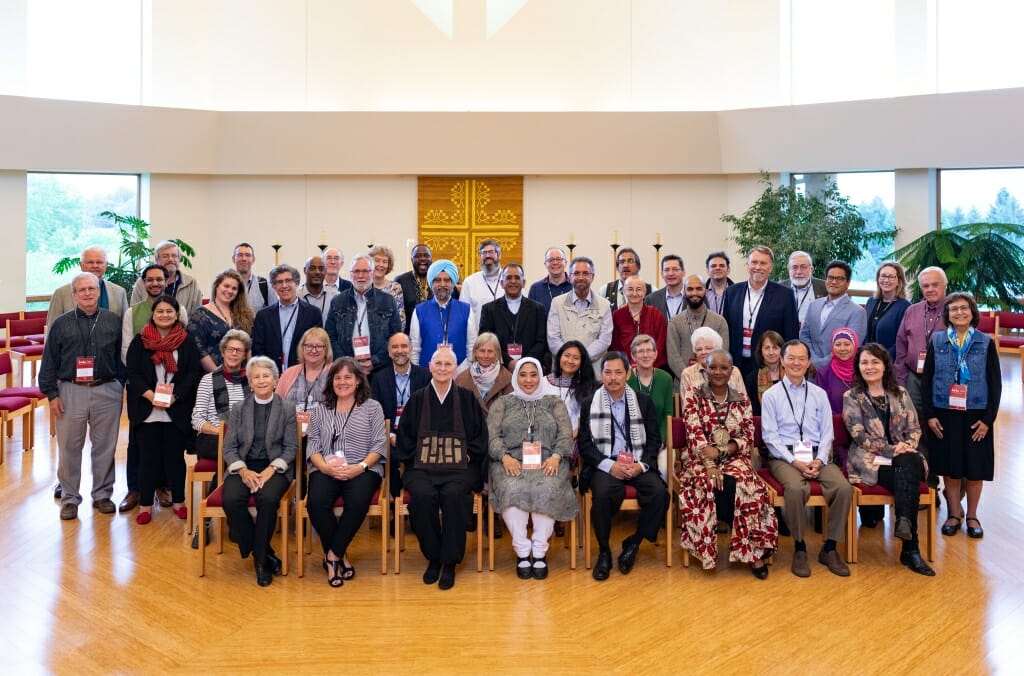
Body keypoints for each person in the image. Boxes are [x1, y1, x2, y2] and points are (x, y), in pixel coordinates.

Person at [394, 348, 488, 591]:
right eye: (439, 364)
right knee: (422, 497)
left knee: (454, 495)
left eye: (448, 364)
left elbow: (480, 435)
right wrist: (419, 456)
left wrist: (466, 455)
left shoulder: (467, 398)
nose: (443, 368)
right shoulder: (417, 398)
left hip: (459, 467)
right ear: (430, 366)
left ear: (455, 368)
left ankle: (449, 562)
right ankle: (434, 556)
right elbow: (405, 437)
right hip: (423, 467)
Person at [679, 349, 777, 576]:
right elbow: (693, 431)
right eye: (713, 367)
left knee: (749, 487)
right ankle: (707, 551)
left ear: (732, 370)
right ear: (706, 370)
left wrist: (723, 450)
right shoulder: (694, 394)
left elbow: (747, 435)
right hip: (699, 459)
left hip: (734, 457)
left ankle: (753, 553)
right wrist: (710, 463)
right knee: (706, 484)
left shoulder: (741, 399)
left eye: (724, 368)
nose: (718, 372)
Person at [761, 339, 853, 578]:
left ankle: (830, 547)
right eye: (791, 358)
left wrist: (820, 460)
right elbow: (770, 437)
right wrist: (795, 461)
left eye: (802, 358)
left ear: (809, 362)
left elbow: (827, 433)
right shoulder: (771, 395)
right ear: (782, 360)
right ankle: (800, 546)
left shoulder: (819, 394)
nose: (796, 363)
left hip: (816, 455)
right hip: (784, 456)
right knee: (794, 489)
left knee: (843, 488)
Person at [39, 272, 126, 521]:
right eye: (81, 290)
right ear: (74, 294)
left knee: (105, 446)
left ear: (99, 291)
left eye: (91, 288)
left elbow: (122, 358)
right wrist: (52, 394)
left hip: (107, 389)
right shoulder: (61, 323)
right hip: (70, 390)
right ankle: (69, 497)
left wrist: (119, 385)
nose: (87, 293)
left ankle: (102, 494)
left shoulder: (113, 321)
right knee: (69, 446)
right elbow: (49, 362)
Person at [842, 343, 935, 576]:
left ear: (885, 365)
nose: (870, 367)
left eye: (875, 361)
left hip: (904, 457)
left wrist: (907, 446)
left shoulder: (901, 393)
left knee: (909, 465)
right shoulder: (852, 396)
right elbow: (858, 434)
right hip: (870, 461)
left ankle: (905, 525)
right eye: (864, 362)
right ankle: (910, 549)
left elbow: (915, 428)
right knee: (910, 473)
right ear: (858, 367)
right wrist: (893, 450)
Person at [578, 352, 667, 581]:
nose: (613, 378)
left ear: (628, 374)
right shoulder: (590, 403)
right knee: (604, 495)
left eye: (619, 372)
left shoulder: (643, 402)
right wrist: (609, 465)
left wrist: (642, 465)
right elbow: (585, 444)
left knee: (660, 494)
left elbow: (654, 441)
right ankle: (604, 551)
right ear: (601, 374)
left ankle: (634, 542)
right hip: (606, 464)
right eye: (608, 372)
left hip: (636, 462)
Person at [487, 358, 577, 579]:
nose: (528, 380)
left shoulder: (554, 402)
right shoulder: (503, 403)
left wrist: (556, 457)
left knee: (546, 488)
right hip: (510, 462)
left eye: (533, 374)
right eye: (523, 375)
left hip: (548, 461)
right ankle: (522, 549)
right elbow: (491, 436)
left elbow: (566, 435)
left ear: (540, 376)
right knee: (512, 488)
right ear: (516, 377)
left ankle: (538, 550)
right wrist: (505, 457)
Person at [922, 292, 1001, 540]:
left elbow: (995, 383)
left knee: (976, 468)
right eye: (954, 309)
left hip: (976, 413)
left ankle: (973, 515)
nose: (959, 313)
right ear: (947, 314)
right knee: (951, 466)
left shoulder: (985, 342)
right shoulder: (937, 341)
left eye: (964, 308)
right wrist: (930, 415)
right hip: (945, 412)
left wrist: (988, 420)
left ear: (972, 312)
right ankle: (954, 513)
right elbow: (927, 380)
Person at [306, 357, 387, 587]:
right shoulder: (320, 409)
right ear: (331, 382)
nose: (342, 382)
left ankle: (331, 557)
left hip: (363, 468)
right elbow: (312, 445)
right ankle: (340, 554)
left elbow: (379, 445)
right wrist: (324, 467)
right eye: (337, 378)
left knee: (357, 500)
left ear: (359, 381)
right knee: (316, 502)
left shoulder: (373, 407)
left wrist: (359, 467)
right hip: (326, 467)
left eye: (348, 377)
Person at [221, 356, 297, 587]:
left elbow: (291, 447)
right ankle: (262, 552)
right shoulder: (239, 408)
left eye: (266, 376)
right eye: (256, 377)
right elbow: (230, 447)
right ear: (250, 383)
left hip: (275, 467)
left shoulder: (287, 408)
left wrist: (271, 470)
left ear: (275, 380)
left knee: (267, 498)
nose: (261, 381)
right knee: (231, 500)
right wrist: (243, 471)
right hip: (244, 465)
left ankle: (261, 563)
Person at [118, 262, 188, 513]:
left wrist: (174, 395)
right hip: (144, 399)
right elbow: (129, 359)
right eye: (150, 279)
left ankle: (170, 492)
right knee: (141, 451)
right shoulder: (135, 321)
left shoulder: (183, 332)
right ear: (143, 282)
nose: (155, 283)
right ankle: (139, 495)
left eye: (160, 279)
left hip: (174, 403)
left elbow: (189, 368)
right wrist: (149, 392)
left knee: (172, 452)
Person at [125, 295, 201, 525]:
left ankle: (179, 501)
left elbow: (192, 374)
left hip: (176, 410)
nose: (165, 315)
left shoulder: (186, 341)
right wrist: (151, 396)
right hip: (147, 409)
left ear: (177, 315)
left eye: (170, 311)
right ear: (153, 314)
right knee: (147, 459)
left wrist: (174, 397)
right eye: (160, 312)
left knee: (175, 459)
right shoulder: (140, 341)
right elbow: (133, 373)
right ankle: (146, 505)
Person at [371, 332, 432, 496]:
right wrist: (389, 435)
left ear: (411, 349)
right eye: (395, 347)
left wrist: (415, 435)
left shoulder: (425, 376)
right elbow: (374, 414)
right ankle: (393, 509)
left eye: (404, 346)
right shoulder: (378, 379)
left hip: (417, 435)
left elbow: (430, 411)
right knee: (387, 459)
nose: (400, 351)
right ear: (389, 351)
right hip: (388, 435)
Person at [722, 246, 798, 374]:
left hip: (768, 366)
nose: (758, 267)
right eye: (754, 262)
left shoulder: (785, 295)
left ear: (771, 267)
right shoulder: (732, 291)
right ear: (748, 265)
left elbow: (791, 334)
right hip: (736, 365)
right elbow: (726, 328)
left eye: (763, 263)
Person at [326, 253, 402, 376]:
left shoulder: (387, 300)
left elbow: (395, 336)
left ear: (372, 273)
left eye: (365, 271)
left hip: (380, 370)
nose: (360, 276)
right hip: (346, 371)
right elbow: (330, 337)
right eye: (356, 271)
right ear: (350, 274)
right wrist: (348, 362)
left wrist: (375, 361)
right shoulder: (338, 301)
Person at [191, 330, 252, 462]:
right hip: (214, 437)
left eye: (239, 350)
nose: (234, 353)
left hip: (244, 437)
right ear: (223, 352)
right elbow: (197, 420)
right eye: (230, 349)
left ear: (245, 356)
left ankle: (219, 482)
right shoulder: (207, 380)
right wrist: (222, 432)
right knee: (235, 447)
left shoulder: (252, 381)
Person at [251, 264, 323, 373]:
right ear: (274, 286)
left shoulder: (313, 314)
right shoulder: (263, 316)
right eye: (279, 282)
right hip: (272, 376)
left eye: (288, 280)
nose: (284, 285)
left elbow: (316, 347)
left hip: (302, 375)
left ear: (297, 283)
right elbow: (258, 350)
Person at [547, 257, 612, 373]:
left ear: (592, 277)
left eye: (585, 273)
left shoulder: (604, 305)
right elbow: (553, 338)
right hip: (562, 372)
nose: (581, 277)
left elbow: (604, 340)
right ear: (570, 277)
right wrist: (569, 360)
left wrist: (580, 358)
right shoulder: (557, 303)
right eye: (576, 273)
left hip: (592, 373)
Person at [479, 263, 548, 370]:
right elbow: (486, 342)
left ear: (524, 282)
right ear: (502, 283)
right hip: (498, 368)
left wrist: (525, 362)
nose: (513, 281)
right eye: (508, 278)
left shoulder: (538, 309)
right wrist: (508, 361)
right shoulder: (489, 310)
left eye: (517, 277)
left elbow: (541, 342)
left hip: (530, 368)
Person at [799, 260, 866, 369]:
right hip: (810, 370)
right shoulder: (814, 305)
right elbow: (804, 335)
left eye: (839, 279)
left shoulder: (857, 312)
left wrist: (820, 365)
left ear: (848, 283)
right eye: (830, 278)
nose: (833, 282)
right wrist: (812, 359)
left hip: (838, 372)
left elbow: (851, 347)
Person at [410, 259, 477, 368]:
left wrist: (466, 373)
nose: (442, 284)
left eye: (446, 280)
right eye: (438, 280)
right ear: (432, 283)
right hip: (427, 372)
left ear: (453, 283)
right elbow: (415, 349)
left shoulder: (466, 310)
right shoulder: (419, 311)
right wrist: (417, 374)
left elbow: (471, 347)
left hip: (459, 372)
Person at [188, 269, 255, 372]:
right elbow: (199, 349)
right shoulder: (200, 314)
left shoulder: (246, 314)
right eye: (226, 286)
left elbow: (249, 346)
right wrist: (217, 375)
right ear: (217, 286)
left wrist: (250, 373)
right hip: (212, 376)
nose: (229, 291)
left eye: (234, 288)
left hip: (242, 375)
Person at [47, 245, 128, 328]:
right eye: (90, 262)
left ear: (106, 265)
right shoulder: (61, 293)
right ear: (81, 265)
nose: (95, 266)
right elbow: (52, 329)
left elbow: (125, 327)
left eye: (99, 262)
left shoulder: (119, 292)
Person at [666, 273, 729, 379]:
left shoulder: (719, 322)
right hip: (683, 383)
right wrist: (690, 378)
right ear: (684, 292)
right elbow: (673, 357)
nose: (694, 293)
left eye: (699, 289)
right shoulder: (674, 323)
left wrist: (708, 378)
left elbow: (723, 353)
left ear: (705, 291)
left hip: (713, 382)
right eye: (690, 289)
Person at [626, 334, 673, 471]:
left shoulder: (666, 378)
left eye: (649, 350)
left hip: (659, 442)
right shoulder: (626, 378)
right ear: (633, 356)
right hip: (632, 441)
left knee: (664, 469)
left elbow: (668, 414)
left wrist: (662, 440)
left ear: (655, 354)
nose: (645, 355)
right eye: (640, 351)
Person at [130, 240, 203, 314]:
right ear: (157, 260)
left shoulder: (191, 283)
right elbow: (135, 312)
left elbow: (197, 314)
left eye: (174, 256)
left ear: (179, 259)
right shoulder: (142, 282)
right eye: (165, 256)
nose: (170, 259)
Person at [611, 276, 667, 369]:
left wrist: (649, 364)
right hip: (626, 369)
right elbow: (615, 345)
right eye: (630, 289)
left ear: (645, 292)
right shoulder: (617, 316)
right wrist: (625, 365)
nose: (634, 293)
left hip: (653, 368)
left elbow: (661, 344)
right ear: (624, 292)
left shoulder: (656, 315)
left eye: (639, 289)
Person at [545, 340, 598, 437]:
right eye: (567, 356)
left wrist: (573, 436)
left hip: (576, 438)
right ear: (559, 357)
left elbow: (587, 419)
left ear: (582, 362)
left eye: (576, 358)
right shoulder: (544, 382)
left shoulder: (588, 387)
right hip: (547, 437)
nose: (570, 361)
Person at [275, 327, 332, 416]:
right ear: (302, 348)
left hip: (326, 428)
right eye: (309, 346)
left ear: (326, 349)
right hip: (292, 427)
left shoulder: (335, 373)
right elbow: (276, 407)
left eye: (319, 346)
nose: (313, 350)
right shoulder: (288, 374)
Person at [454, 332, 513, 413]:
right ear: (475, 352)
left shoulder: (508, 379)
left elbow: (510, 412)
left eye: (490, 351)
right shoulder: (461, 380)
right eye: (482, 351)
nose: (485, 355)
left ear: (497, 353)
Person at [679, 327, 745, 396]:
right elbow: (687, 404)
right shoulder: (687, 374)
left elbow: (744, 401)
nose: (703, 352)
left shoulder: (734, 371)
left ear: (717, 350)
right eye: (699, 349)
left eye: (708, 348)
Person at [865, 261, 911, 358]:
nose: (886, 280)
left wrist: (883, 358)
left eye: (891, 277)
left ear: (899, 280)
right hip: (867, 359)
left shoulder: (905, 307)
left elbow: (902, 341)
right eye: (883, 276)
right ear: (878, 279)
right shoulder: (871, 302)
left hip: (889, 362)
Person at [816, 327, 860, 416]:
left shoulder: (863, 370)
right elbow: (820, 406)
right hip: (834, 425)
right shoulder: (824, 373)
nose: (842, 349)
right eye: (838, 344)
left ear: (855, 345)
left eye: (847, 344)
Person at [460, 238, 504, 323]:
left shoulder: (510, 280)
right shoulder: (470, 282)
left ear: (499, 255)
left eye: (491, 252)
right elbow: (464, 315)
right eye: (484, 253)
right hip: (478, 335)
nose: (487, 256)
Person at [743, 330, 784, 417]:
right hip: (761, 424)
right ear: (761, 351)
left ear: (782, 351)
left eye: (775, 348)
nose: (771, 352)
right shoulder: (752, 378)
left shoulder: (790, 376)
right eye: (767, 348)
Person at [395, 243, 434, 333]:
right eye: (417, 256)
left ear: (431, 259)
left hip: (435, 334)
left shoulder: (438, 280)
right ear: (411, 259)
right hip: (409, 335)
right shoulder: (400, 281)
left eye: (426, 255)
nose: (422, 258)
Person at [780, 251, 826, 325]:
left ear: (811, 269)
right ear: (789, 269)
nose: (799, 272)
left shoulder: (825, 287)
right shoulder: (779, 289)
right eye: (794, 267)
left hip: (815, 334)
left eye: (803, 267)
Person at [369, 244, 407, 327]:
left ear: (389, 265)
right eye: (377, 260)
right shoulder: (363, 287)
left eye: (384, 261)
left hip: (390, 337)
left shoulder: (395, 288)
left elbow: (401, 320)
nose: (381, 264)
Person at [527, 246, 572, 315]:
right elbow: (530, 317)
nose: (555, 262)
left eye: (559, 259)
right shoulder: (535, 289)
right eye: (551, 260)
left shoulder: (575, 286)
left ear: (565, 262)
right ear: (545, 264)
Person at [232, 242, 276, 311]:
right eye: (240, 255)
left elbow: (275, 313)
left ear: (253, 259)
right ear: (233, 259)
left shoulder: (265, 285)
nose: (244, 258)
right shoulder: (225, 286)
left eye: (248, 255)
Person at [299, 255, 340, 325]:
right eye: (312, 268)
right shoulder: (296, 297)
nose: (317, 272)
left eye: (321, 269)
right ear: (305, 270)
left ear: (326, 271)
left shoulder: (336, 297)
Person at [644, 254, 686, 323]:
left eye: (675, 269)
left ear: (683, 272)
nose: (670, 273)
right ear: (662, 274)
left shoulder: (694, 296)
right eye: (666, 270)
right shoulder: (651, 300)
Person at [704, 251, 733, 316]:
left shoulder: (737, 293)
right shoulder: (700, 292)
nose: (718, 268)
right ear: (707, 270)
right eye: (713, 266)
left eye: (722, 266)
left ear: (728, 270)